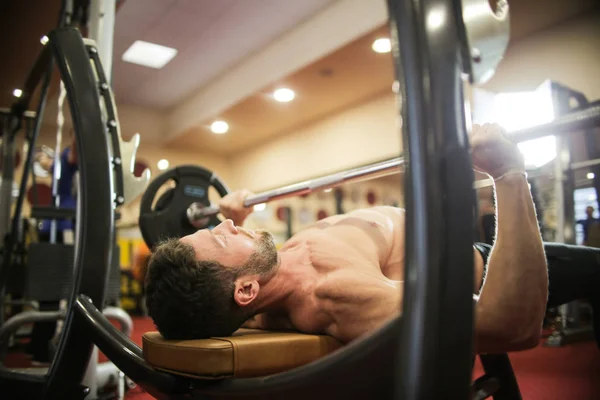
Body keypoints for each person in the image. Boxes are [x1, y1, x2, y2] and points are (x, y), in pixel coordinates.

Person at [145, 123, 549, 354]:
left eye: (213, 226)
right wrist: (508, 172)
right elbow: (507, 324)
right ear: (246, 290)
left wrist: (238, 219)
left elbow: (216, 290)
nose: (225, 226)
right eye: (218, 238)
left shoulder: (250, 291)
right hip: (490, 263)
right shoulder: (336, 293)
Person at [27, 134, 78, 365]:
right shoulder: (68, 156)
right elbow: (76, 148)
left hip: (63, 225)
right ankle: (40, 348)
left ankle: (38, 345)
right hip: (59, 226)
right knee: (52, 291)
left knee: (56, 291)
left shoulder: (64, 162)